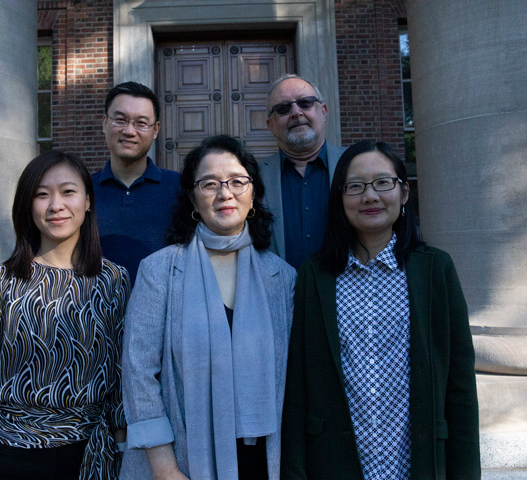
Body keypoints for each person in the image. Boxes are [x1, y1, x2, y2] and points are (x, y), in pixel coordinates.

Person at [281, 140, 480, 479]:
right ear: (340, 198)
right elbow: (299, 383)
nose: (370, 196)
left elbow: (459, 385)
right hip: (335, 462)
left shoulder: (435, 270)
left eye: (383, 183)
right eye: (355, 186)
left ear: (403, 194)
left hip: (416, 462)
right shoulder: (316, 275)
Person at [120, 135, 296, 480]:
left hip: (262, 459)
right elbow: (138, 373)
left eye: (236, 181)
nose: (224, 193)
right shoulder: (160, 270)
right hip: (178, 462)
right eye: (209, 184)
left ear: (253, 193)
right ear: (192, 198)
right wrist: (165, 469)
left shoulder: (281, 277)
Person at [0, 151, 130, 480]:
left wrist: (122, 459)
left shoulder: (114, 280)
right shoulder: (2, 281)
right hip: (14, 455)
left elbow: (119, 382)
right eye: (42, 194)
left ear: (88, 201)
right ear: (27, 205)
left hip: (91, 455)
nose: (55, 205)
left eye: (68, 191)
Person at [93, 81, 180, 283]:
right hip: (95, 310)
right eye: (120, 120)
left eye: (141, 123)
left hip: (163, 310)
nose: (129, 131)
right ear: (104, 123)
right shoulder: (82, 191)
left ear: (155, 129)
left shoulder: (180, 188)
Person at [260, 73, 346, 269]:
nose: (296, 113)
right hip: (276, 296)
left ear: (323, 111)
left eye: (305, 103)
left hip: (344, 295)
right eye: (283, 108)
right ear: (270, 125)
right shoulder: (251, 178)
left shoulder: (355, 165)